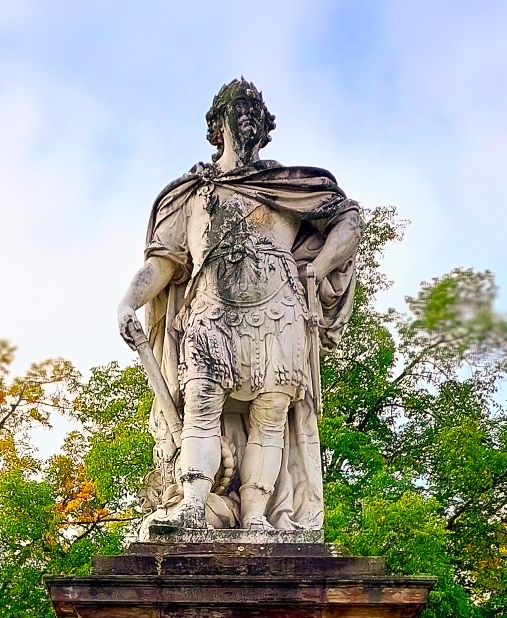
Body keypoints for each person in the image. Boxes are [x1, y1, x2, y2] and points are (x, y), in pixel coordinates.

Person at [117, 79, 362, 533]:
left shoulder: (291, 187)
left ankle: (256, 517)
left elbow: (349, 218)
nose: (247, 112)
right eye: (237, 106)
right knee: (202, 405)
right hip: (210, 312)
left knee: (271, 415)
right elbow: (164, 262)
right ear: (217, 124)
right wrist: (129, 302)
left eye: (254, 106)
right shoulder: (190, 193)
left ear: (266, 125)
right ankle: (192, 505)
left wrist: (316, 268)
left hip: (279, 315)